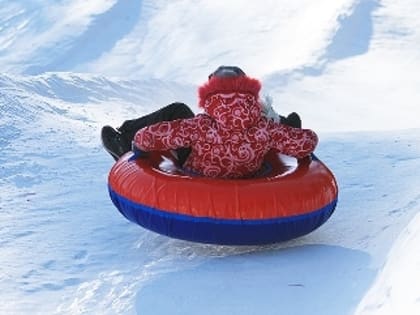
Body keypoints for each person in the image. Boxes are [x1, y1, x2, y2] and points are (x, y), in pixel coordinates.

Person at [101, 66, 318, 178]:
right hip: (247, 171)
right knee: (274, 127)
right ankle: (288, 127)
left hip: (200, 171)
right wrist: (288, 134)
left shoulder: (200, 126)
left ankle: (123, 139)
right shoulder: (265, 127)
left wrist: (137, 143)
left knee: (179, 109)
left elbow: (148, 138)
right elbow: (307, 142)